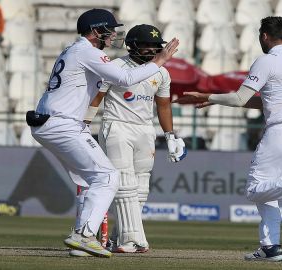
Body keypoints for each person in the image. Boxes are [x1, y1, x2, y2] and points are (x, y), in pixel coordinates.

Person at [173, 16, 282, 262]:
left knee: (256, 190)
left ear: (265, 36)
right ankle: (270, 248)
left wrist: (208, 96)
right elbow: (264, 101)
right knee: (271, 191)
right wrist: (216, 99)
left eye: (260, 36)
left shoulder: (267, 60)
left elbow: (239, 97)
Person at [29, 9, 179, 258]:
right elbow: (126, 77)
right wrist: (160, 59)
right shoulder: (88, 52)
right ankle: (84, 235)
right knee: (108, 177)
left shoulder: (74, 50)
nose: (113, 37)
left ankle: (81, 242)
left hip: (55, 122)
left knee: (90, 180)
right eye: (109, 31)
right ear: (96, 30)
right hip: (63, 123)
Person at [69, 24, 186, 256]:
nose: (152, 50)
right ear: (132, 45)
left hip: (145, 129)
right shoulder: (115, 67)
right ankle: (133, 239)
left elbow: (163, 106)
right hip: (117, 126)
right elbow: (96, 99)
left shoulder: (161, 72)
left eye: (155, 46)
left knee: (141, 186)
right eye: (146, 45)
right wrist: (83, 126)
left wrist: (171, 135)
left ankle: (118, 237)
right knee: (124, 183)